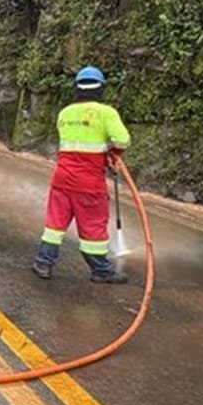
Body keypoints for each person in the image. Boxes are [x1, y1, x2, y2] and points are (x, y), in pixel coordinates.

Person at [33, 66, 130, 284]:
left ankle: (43, 263)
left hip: (62, 178)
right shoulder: (106, 113)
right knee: (93, 226)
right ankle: (101, 270)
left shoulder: (65, 113)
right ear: (101, 88)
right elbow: (122, 140)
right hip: (89, 182)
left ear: (76, 87)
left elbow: (75, 143)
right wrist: (112, 153)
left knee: (55, 225)